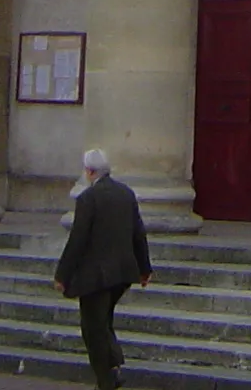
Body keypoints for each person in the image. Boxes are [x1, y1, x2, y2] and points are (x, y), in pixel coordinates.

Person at [55, 148, 152, 390]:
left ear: (89, 171)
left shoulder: (88, 198)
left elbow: (78, 239)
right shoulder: (125, 194)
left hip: (96, 275)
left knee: (93, 328)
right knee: (103, 320)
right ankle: (113, 367)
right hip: (122, 272)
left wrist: (62, 275)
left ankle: (107, 377)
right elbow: (138, 233)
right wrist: (144, 267)